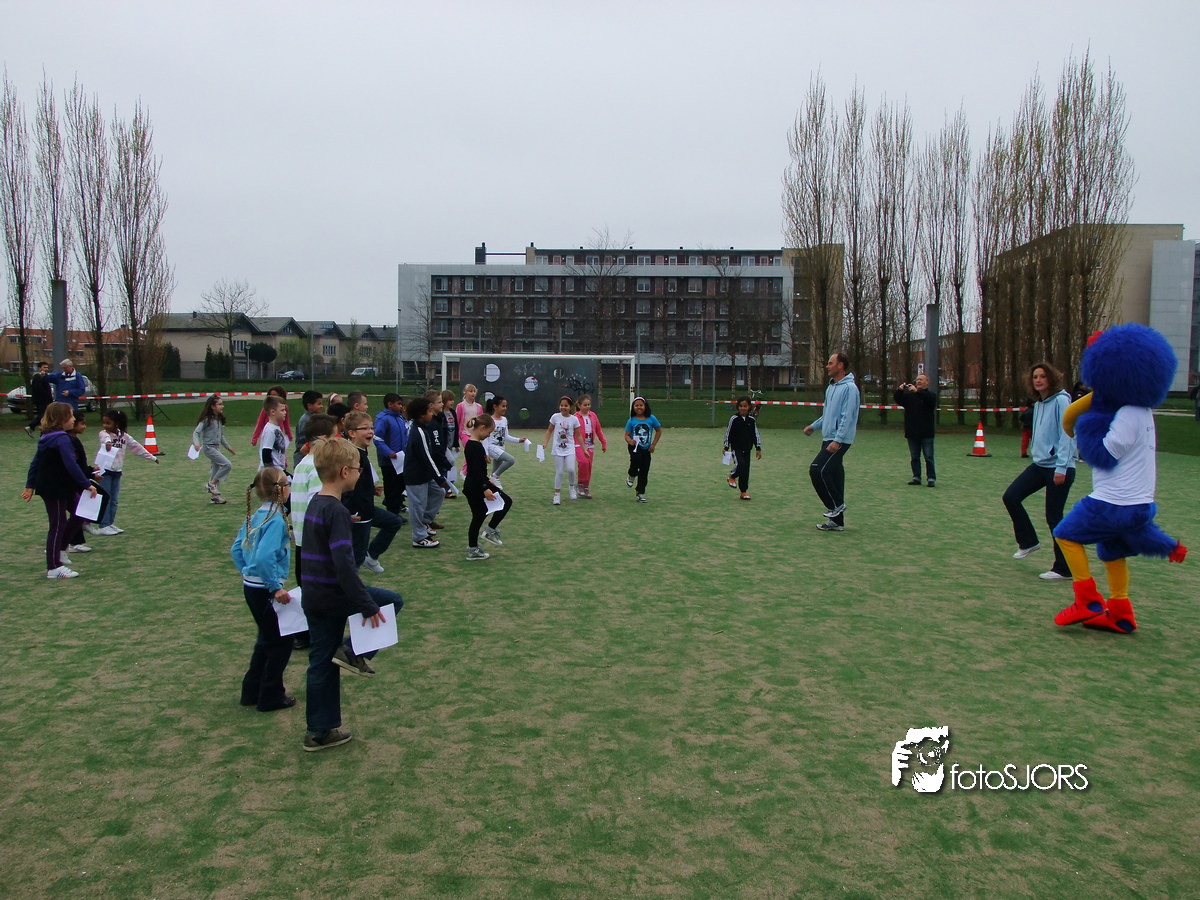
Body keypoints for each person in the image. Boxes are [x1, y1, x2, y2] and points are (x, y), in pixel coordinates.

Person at [300, 438, 399, 752]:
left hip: (313, 594)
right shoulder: (338, 511)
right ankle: (352, 651)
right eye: (358, 469)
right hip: (333, 595)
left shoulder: (316, 503)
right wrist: (366, 605)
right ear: (344, 472)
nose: (360, 473)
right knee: (392, 601)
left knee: (320, 661)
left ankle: (319, 731)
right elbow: (344, 567)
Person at [1002, 362, 1076, 581]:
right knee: (1011, 496)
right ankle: (1028, 542)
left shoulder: (1062, 400)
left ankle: (1063, 568)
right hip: (1040, 465)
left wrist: (1062, 467)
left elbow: (1068, 434)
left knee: (1054, 517)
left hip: (1059, 468)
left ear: (1051, 378)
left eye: (1042, 376)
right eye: (1035, 377)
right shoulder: (1039, 403)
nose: (1038, 380)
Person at [231, 467, 296, 712]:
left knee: (265, 639)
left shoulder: (256, 515)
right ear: (282, 490)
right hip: (265, 588)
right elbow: (265, 555)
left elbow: (236, 549)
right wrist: (273, 586)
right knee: (281, 642)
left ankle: (251, 690)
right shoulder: (277, 520)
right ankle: (271, 695)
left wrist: (248, 572)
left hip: (251, 586)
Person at [21, 401, 99, 579]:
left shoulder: (47, 436)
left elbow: (35, 463)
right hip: (54, 487)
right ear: (61, 419)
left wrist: (30, 485)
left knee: (80, 511)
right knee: (57, 524)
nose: (73, 419)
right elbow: (70, 464)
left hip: (63, 485)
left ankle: (61, 549)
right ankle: (54, 567)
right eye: (71, 416)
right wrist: (86, 484)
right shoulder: (62, 439)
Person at [289, 413, 338, 651]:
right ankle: (311, 635)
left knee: (306, 589)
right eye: (334, 437)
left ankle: (304, 633)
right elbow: (317, 507)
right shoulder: (318, 468)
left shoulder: (302, 463)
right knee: (317, 592)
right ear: (322, 440)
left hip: (302, 541)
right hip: (315, 544)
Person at [804, 352, 860, 532]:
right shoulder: (831, 387)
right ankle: (837, 522)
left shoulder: (850, 388)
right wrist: (814, 426)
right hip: (828, 438)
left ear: (840, 365)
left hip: (839, 440)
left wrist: (837, 440)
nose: (827, 366)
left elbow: (847, 417)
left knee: (817, 469)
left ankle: (835, 505)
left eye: (830, 363)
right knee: (835, 476)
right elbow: (827, 414)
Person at [342, 410, 404, 572]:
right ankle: (349, 585)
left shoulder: (361, 452)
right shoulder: (353, 455)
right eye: (364, 428)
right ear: (352, 433)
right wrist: (350, 512)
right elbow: (346, 486)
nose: (370, 431)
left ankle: (371, 556)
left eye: (371, 428)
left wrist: (371, 490)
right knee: (356, 557)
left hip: (367, 508)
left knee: (394, 522)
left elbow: (358, 483)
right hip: (359, 514)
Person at [89, 409, 159, 536]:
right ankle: (103, 525)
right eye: (104, 423)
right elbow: (105, 438)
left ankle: (110, 523)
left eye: (108, 423)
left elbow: (137, 447)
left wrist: (152, 457)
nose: (105, 426)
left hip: (117, 471)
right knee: (106, 498)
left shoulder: (125, 437)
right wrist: (108, 442)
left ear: (117, 423)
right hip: (105, 471)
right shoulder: (104, 434)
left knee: (114, 500)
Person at [403, 396, 452, 549]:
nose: (432, 414)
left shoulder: (424, 428)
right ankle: (419, 537)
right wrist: (439, 477)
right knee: (417, 505)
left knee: (438, 492)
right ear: (421, 415)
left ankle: (425, 521)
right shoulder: (418, 431)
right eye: (429, 412)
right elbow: (426, 457)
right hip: (415, 475)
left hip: (425, 473)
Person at [463, 413, 513, 559]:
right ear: (482, 428)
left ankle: (473, 548)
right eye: (489, 432)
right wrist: (486, 488)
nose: (488, 435)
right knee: (506, 502)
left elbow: (477, 469)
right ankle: (489, 531)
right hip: (477, 486)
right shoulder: (475, 447)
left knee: (478, 516)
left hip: (474, 485)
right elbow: (475, 471)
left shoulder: (473, 445)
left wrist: (488, 481)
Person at [894, 374, 937, 487]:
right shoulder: (910, 396)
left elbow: (929, 400)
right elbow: (898, 399)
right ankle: (916, 477)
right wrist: (899, 390)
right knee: (914, 457)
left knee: (929, 457)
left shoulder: (931, 395)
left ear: (927, 382)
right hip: (912, 432)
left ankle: (931, 478)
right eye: (917, 380)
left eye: (921, 379)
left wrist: (917, 391)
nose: (918, 381)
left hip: (927, 433)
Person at [193, 394, 235, 504]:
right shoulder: (206, 419)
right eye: (219, 404)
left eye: (222, 404)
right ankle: (211, 484)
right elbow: (196, 432)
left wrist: (228, 447)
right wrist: (196, 444)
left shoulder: (218, 420)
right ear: (212, 406)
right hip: (209, 448)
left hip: (217, 447)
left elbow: (221, 437)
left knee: (215, 470)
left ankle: (214, 497)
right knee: (227, 464)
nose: (222, 406)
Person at [542, 395, 583, 505]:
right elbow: (549, 431)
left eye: (566, 405)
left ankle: (571, 488)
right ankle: (557, 494)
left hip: (570, 449)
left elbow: (578, 435)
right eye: (561, 405)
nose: (563, 407)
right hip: (557, 449)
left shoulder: (574, 419)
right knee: (559, 472)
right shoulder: (555, 417)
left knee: (571, 469)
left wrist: (584, 449)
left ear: (571, 407)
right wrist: (545, 443)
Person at [373, 393, 409, 515]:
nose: (401, 406)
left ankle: (395, 509)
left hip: (400, 460)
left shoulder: (400, 419)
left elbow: (405, 437)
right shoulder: (383, 419)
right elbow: (377, 438)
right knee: (391, 487)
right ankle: (392, 513)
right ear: (390, 404)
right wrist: (389, 452)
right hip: (388, 461)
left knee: (401, 485)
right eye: (398, 404)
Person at [624, 396, 661, 503]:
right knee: (636, 459)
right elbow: (626, 435)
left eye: (641, 405)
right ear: (633, 407)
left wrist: (653, 445)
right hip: (635, 446)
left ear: (645, 406)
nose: (639, 407)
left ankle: (640, 492)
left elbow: (658, 431)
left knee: (644, 470)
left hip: (646, 448)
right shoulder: (631, 420)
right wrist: (629, 441)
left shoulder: (651, 418)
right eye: (636, 405)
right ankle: (631, 475)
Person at [724, 396, 762, 501]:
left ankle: (743, 492)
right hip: (736, 448)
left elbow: (755, 435)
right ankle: (732, 476)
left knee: (745, 471)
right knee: (740, 465)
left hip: (747, 449)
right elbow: (728, 433)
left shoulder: (751, 420)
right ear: (738, 407)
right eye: (741, 406)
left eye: (745, 406)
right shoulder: (734, 419)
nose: (743, 408)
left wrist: (758, 448)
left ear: (749, 407)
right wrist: (726, 446)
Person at [484, 395, 526, 488]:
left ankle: (492, 488)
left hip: (500, 448)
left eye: (506, 406)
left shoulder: (504, 420)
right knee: (510, 460)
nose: (505, 408)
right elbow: (486, 439)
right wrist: (486, 453)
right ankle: (494, 477)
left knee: (494, 476)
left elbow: (506, 436)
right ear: (495, 407)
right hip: (492, 448)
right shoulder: (490, 420)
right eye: (503, 406)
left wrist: (519, 440)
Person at [573, 394, 606, 499]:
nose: (587, 407)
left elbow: (598, 430)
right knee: (583, 462)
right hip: (578, 444)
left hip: (590, 445)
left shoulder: (593, 416)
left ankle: (586, 487)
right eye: (585, 405)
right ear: (579, 405)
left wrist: (603, 442)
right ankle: (580, 484)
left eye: (589, 404)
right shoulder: (575, 417)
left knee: (588, 465)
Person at [258, 396, 291, 473]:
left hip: (278, 470)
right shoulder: (270, 430)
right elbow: (266, 453)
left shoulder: (276, 428)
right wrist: (271, 473)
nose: (285, 413)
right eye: (282, 410)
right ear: (272, 412)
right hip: (272, 472)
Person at [293, 389, 324, 468]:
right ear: (309, 405)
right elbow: (305, 442)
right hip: (302, 459)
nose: (321, 406)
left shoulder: (314, 419)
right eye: (319, 404)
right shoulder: (306, 421)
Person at [25, 361, 52, 436]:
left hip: (46, 400)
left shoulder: (45, 377)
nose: (46, 369)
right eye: (44, 367)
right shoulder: (37, 377)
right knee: (43, 415)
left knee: (46, 416)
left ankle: (43, 431)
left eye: (47, 367)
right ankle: (31, 426)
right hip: (41, 400)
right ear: (39, 368)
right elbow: (39, 389)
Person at [456, 383, 482, 450]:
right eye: (471, 391)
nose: (473, 393)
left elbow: (480, 420)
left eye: (474, 391)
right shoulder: (460, 406)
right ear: (465, 393)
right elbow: (457, 421)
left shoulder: (478, 407)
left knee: (474, 450)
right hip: (464, 433)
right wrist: (457, 437)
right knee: (469, 448)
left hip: (474, 433)